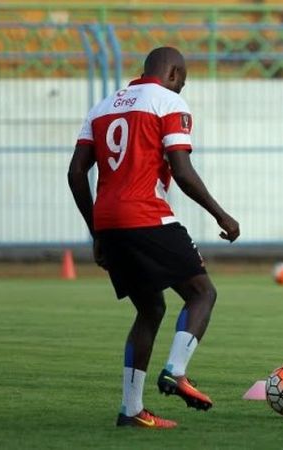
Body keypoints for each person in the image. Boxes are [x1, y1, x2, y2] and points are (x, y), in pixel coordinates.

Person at [68, 47, 240, 428]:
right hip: (147, 214)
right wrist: (221, 214)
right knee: (202, 293)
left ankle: (131, 411)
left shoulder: (102, 106)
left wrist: (96, 230)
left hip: (110, 223)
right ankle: (176, 371)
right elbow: (181, 168)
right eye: (184, 79)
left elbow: (76, 173)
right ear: (175, 73)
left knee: (150, 309)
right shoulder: (168, 101)